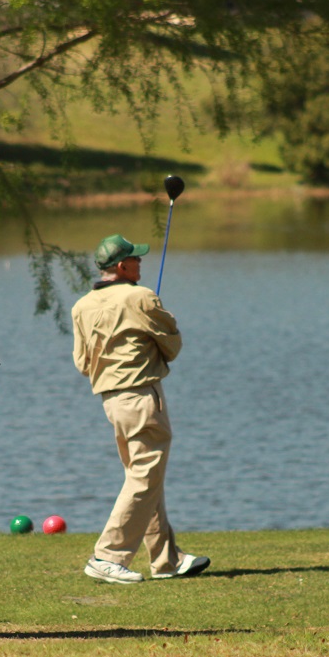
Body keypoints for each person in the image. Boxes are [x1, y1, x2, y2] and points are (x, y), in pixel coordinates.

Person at [71, 234, 210, 584]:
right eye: (134, 259)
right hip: (141, 396)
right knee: (145, 475)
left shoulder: (81, 305)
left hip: (111, 401)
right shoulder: (141, 296)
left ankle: (166, 559)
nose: (140, 263)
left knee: (145, 476)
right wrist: (163, 321)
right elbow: (172, 345)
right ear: (121, 266)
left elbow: (81, 361)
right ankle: (108, 554)